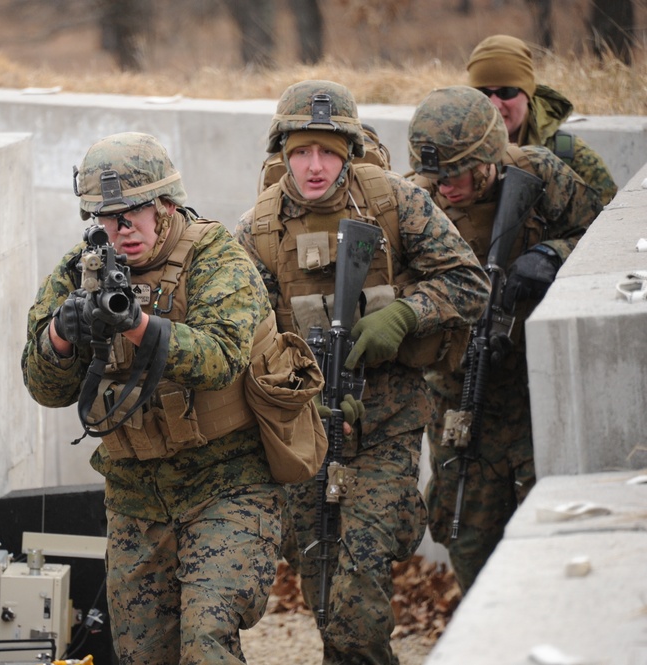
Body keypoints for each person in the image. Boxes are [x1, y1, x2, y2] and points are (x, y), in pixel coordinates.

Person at [235, 80, 489, 665]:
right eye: (301, 152)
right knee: (322, 582)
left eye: (328, 150)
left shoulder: (395, 203)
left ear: (349, 149)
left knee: (360, 577)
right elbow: (244, 340)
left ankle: (393, 516)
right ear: (282, 154)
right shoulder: (257, 233)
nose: (315, 166)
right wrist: (300, 395)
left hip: (389, 418)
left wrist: (405, 312)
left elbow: (471, 283)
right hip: (305, 430)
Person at [21, 132, 285, 664]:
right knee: (143, 655)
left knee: (206, 643)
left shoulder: (215, 255)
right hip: (136, 497)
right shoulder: (82, 268)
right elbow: (43, 389)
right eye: (106, 219)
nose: (121, 231)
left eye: (133, 215)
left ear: (164, 205)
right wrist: (61, 337)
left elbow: (221, 358)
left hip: (227, 483)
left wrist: (139, 325)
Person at [407, 85, 603, 594]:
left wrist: (552, 255)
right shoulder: (415, 202)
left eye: (456, 173)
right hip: (459, 399)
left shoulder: (538, 175)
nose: (445, 186)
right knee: (464, 538)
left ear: (488, 159)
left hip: (536, 393)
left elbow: (607, 236)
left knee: (551, 530)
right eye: (436, 174)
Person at [467, 34, 618, 206]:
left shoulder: (569, 156)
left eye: (506, 93)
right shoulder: (456, 151)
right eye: (483, 94)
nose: (495, 104)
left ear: (528, 92)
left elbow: (608, 219)